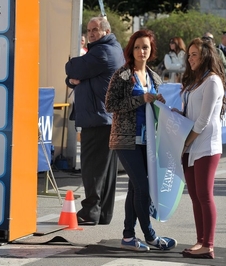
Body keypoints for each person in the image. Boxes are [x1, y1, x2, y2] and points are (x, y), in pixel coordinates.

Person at [105, 29, 177, 252]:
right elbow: (110, 105)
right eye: (137, 47)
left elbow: (153, 106)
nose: (141, 51)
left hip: (148, 141)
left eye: (145, 47)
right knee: (143, 188)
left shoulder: (155, 77)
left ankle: (128, 236)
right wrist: (140, 100)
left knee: (135, 189)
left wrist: (159, 103)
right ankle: (150, 235)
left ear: (151, 50)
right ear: (131, 50)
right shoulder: (123, 75)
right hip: (125, 140)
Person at [65, 17, 125, 225]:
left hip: (98, 118)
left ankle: (90, 211)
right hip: (105, 117)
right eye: (89, 30)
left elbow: (71, 68)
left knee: (92, 168)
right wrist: (78, 77)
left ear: (106, 31)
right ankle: (102, 213)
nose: (90, 33)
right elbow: (74, 77)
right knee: (106, 170)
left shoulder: (103, 52)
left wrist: (77, 74)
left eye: (95, 30)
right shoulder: (110, 49)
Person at [171, 37, 226, 259]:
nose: (190, 58)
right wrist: (177, 116)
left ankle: (208, 244)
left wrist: (185, 142)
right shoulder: (195, 81)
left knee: (204, 195)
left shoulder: (212, 81)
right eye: (189, 54)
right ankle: (200, 240)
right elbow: (191, 114)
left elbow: (203, 120)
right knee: (194, 196)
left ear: (205, 56)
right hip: (191, 145)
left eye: (194, 54)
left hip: (205, 145)